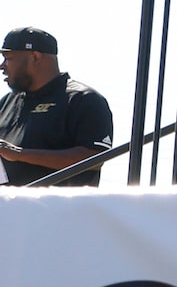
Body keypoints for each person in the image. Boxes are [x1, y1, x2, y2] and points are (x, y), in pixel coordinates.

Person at [0, 29, 114, 187]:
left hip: (59, 209)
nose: (2, 66)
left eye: (8, 58)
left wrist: (19, 154)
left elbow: (94, 158)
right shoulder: (8, 102)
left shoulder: (83, 99)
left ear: (35, 57)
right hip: (9, 208)